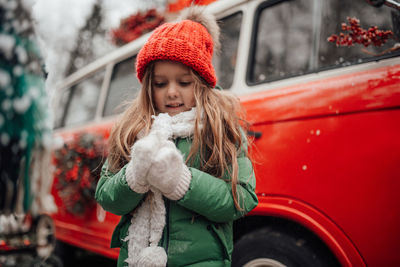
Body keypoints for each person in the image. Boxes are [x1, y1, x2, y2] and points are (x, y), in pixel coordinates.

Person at [95, 6, 258, 267]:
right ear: (149, 86)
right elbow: (106, 196)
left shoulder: (219, 129)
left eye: (184, 83)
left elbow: (241, 199)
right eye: (161, 83)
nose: (172, 92)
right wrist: (134, 176)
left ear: (203, 84)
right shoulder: (132, 131)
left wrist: (181, 181)